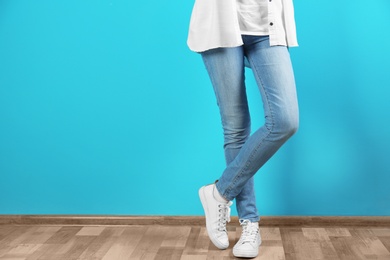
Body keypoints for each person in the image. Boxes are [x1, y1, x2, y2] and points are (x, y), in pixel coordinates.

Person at [187, 0, 299, 258]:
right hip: (220, 24)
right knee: (236, 127)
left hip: (268, 26)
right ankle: (250, 223)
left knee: (285, 120)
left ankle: (219, 192)